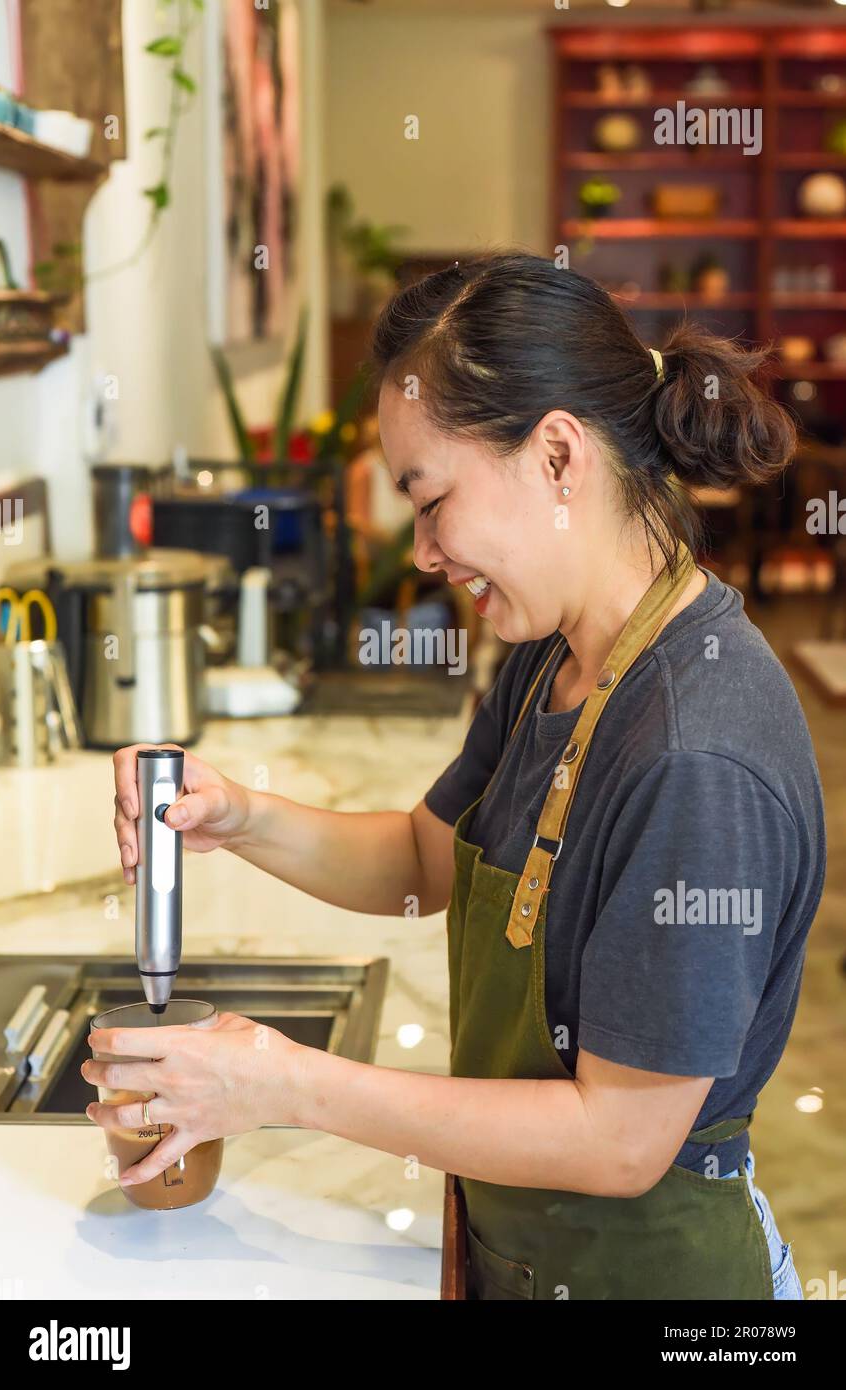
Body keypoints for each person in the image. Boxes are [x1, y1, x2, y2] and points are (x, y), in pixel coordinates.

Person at [90, 254, 824, 1300]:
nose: (426, 552)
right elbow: (428, 858)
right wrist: (237, 815)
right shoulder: (554, 653)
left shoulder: (693, 750)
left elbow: (618, 1140)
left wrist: (285, 1084)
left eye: (432, 500)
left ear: (559, 454)